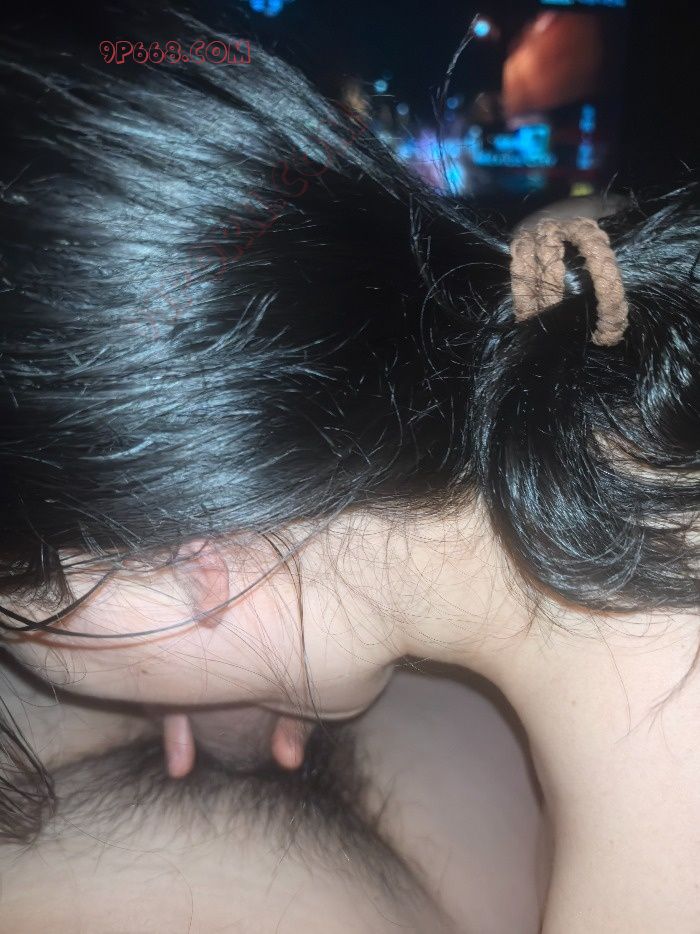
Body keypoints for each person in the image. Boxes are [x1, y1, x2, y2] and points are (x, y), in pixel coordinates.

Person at [0, 6, 698, 932]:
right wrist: (245, 642)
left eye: (27, 629)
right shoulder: (580, 285)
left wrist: (255, 624)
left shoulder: (659, 867)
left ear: (197, 564)